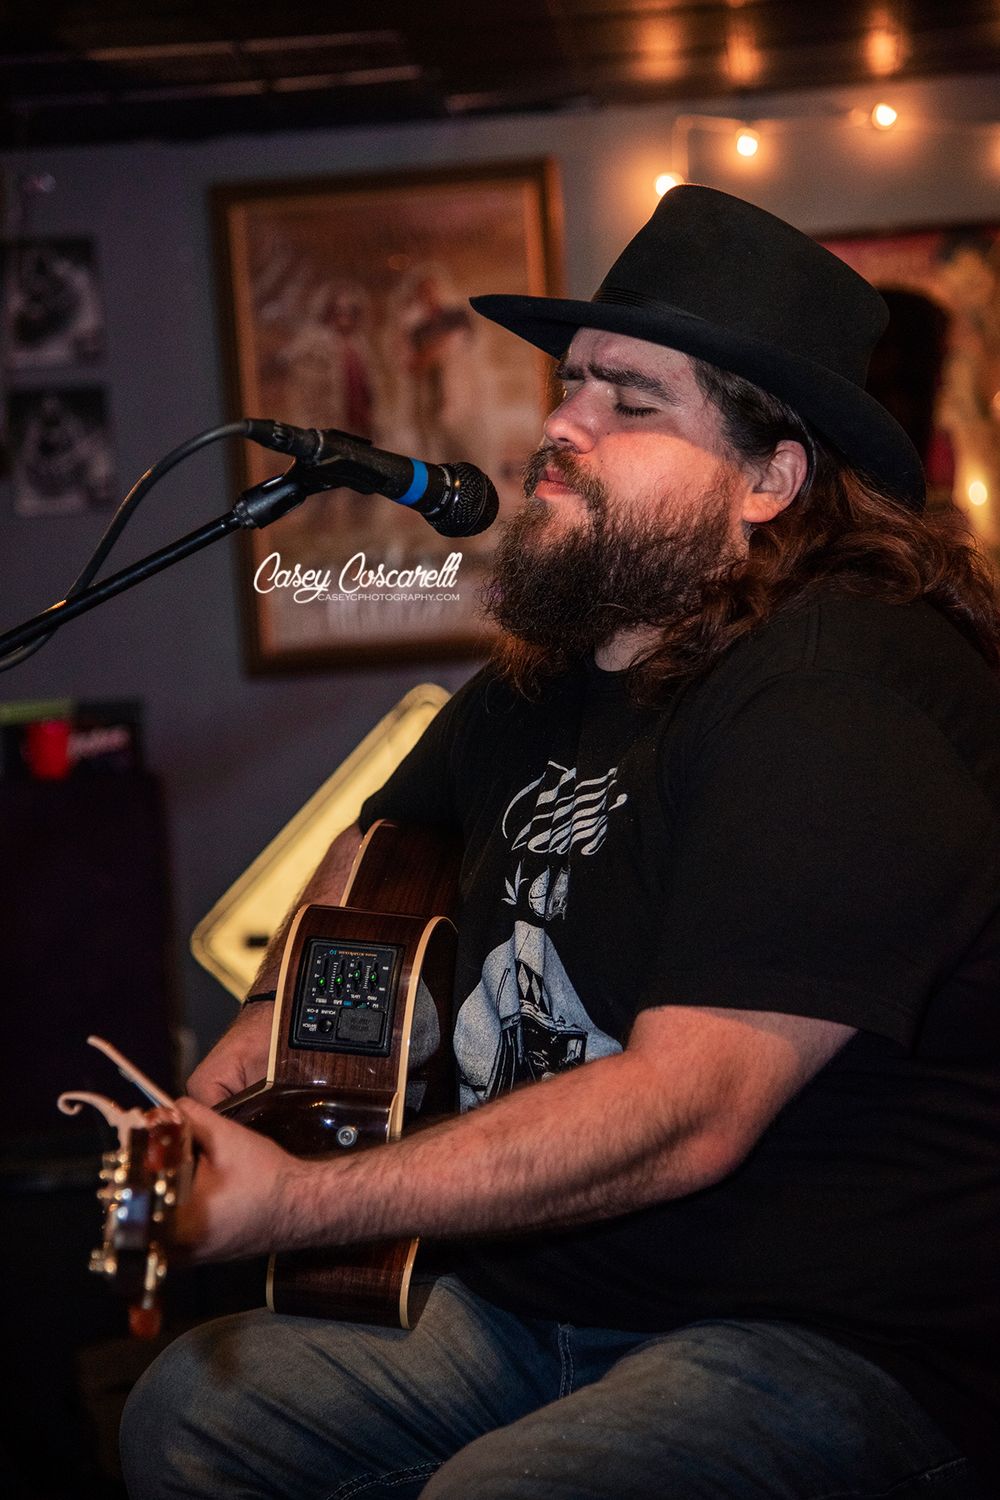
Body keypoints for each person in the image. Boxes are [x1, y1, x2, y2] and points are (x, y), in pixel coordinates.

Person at [121, 187, 1000, 1499]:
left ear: (769, 480)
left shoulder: (841, 690)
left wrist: (296, 1203)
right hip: (544, 1303)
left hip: (821, 1334)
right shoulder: (552, 674)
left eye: (628, 402)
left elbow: (688, 1114)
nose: (558, 426)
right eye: (569, 385)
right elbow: (384, 840)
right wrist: (284, 1025)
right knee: (194, 1414)